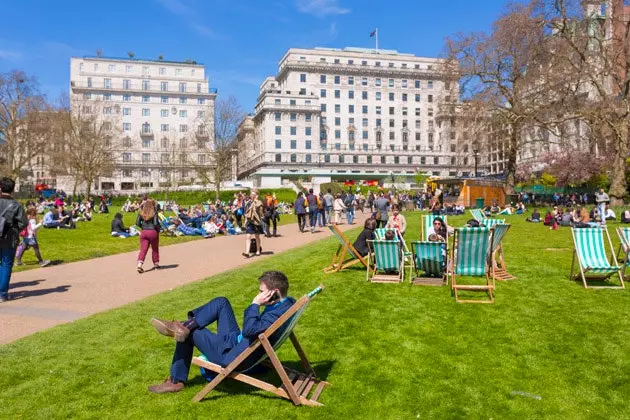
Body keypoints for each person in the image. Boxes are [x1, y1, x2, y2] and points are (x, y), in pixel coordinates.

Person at [148, 271, 295, 393]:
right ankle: (184, 327)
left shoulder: (276, 314)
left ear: (274, 292)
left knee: (190, 334)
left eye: (261, 291)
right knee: (221, 302)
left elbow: (250, 329)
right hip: (237, 342)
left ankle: (175, 381)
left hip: (233, 356)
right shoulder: (288, 303)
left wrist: (255, 304)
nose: (259, 294)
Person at [0, 178, 28, 303]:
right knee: (6, 265)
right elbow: (23, 223)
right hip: (9, 237)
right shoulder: (16, 205)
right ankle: (2, 293)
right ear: (12, 189)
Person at [136, 199, 161, 273]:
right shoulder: (154, 213)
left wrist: (143, 227)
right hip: (153, 232)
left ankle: (139, 265)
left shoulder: (141, 212)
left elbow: (137, 223)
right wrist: (159, 229)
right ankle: (156, 263)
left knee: (143, 249)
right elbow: (156, 223)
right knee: (155, 248)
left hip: (144, 232)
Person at [243, 190, 263, 258]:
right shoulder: (248, 202)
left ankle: (258, 250)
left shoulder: (259, 202)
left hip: (256, 221)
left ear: (257, 195)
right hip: (249, 221)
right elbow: (246, 212)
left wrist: (256, 200)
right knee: (248, 236)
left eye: (254, 194)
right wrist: (245, 222)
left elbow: (260, 212)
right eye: (251, 194)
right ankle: (247, 252)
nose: (252, 196)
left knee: (257, 236)